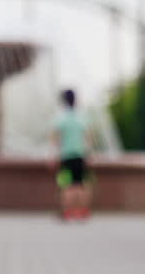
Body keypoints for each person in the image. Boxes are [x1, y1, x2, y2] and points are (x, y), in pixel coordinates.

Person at [51, 88, 91, 221]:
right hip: (80, 155)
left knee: (66, 185)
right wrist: (88, 155)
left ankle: (67, 212)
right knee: (80, 184)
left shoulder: (61, 118)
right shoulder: (81, 117)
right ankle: (83, 212)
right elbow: (88, 138)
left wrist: (54, 155)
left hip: (66, 156)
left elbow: (56, 138)